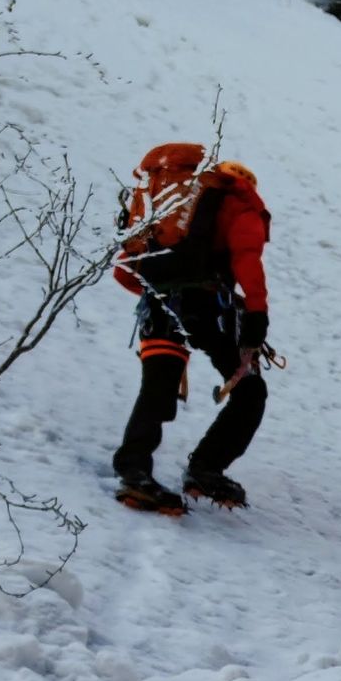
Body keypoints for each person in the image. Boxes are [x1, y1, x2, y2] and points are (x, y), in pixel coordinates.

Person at [112, 145, 274, 514]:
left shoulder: (163, 206)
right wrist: (255, 314)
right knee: (250, 390)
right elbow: (247, 259)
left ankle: (134, 470)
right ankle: (206, 468)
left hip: (158, 304)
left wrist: (164, 292)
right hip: (205, 308)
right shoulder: (239, 203)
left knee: (159, 384)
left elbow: (124, 270)